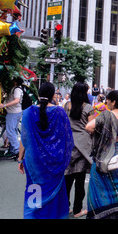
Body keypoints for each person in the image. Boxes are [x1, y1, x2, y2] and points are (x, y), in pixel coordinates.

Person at [17, 82, 74, 219]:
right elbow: (67, 139)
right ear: (53, 95)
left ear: (38, 94)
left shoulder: (28, 112)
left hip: (34, 163)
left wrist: (20, 159)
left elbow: (24, 140)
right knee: (55, 196)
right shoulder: (59, 112)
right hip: (55, 162)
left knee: (34, 190)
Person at [85, 90, 118, 219]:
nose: (106, 102)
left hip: (106, 153)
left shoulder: (107, 115)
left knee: (99, 185)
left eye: (108, 100)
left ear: (113, 102)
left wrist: (104, 137)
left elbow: (89, 127)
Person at [63, 82, 95, 218]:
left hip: (68, 144)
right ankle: (77, 210)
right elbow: (92, 128)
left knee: (67, 179)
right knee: (80, 179)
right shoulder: (88, 108)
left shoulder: (66, 106)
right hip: (83, 145)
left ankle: (65, 207)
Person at [0, 77, 24, 157]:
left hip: (13, 112)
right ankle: (13, 150)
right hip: (15, 112)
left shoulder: (17, 90)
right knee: (13, 131)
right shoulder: (16, 89)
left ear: (15, 82)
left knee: (10, 132)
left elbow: (17, 100)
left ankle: (17, 151)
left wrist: (3, 105)